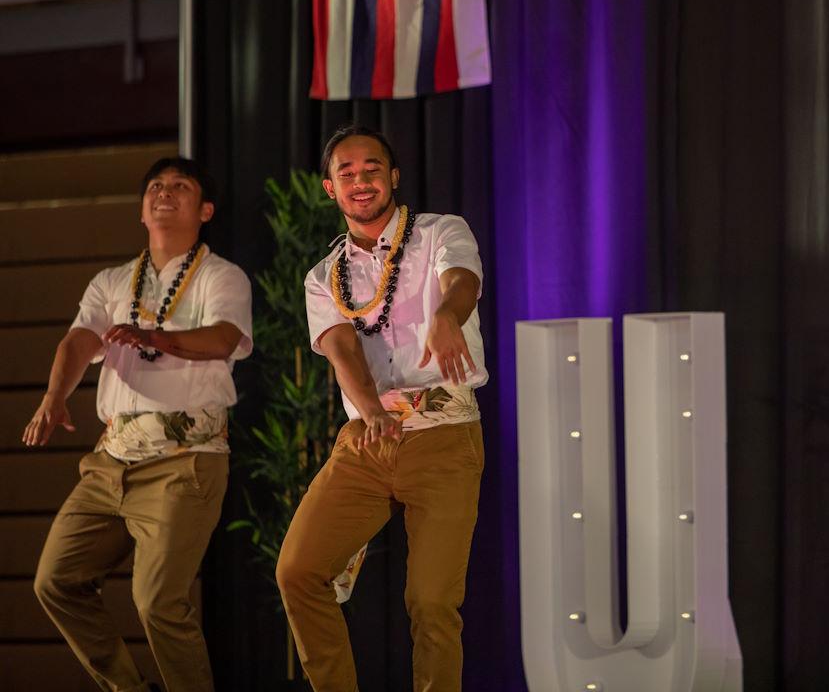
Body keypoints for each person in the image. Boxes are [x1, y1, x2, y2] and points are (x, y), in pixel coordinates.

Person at [26, 157, 253, 692]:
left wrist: (157, 338)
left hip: (184, 462)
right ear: (141, 209)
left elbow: (222, 338)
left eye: (180, 186)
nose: (164, 192)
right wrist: (54, 397)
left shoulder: (221, 275)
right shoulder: (111, 281)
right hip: (111, 462)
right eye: (155, 186)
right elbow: (80, 340)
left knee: (156, 602)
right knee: (55, 581)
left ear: (206, 210)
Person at [275, 124, 487, 692]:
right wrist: (370, 413)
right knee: (297, 571)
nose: (360, 180)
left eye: (372, 168)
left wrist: (446, 316)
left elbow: (461, 279)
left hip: (443, 431)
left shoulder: (440, 231)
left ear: (392, 177)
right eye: (346, 173)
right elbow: (341, 347)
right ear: (329, 188)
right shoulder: (323, 276)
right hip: (367, 438)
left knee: (432, 602)